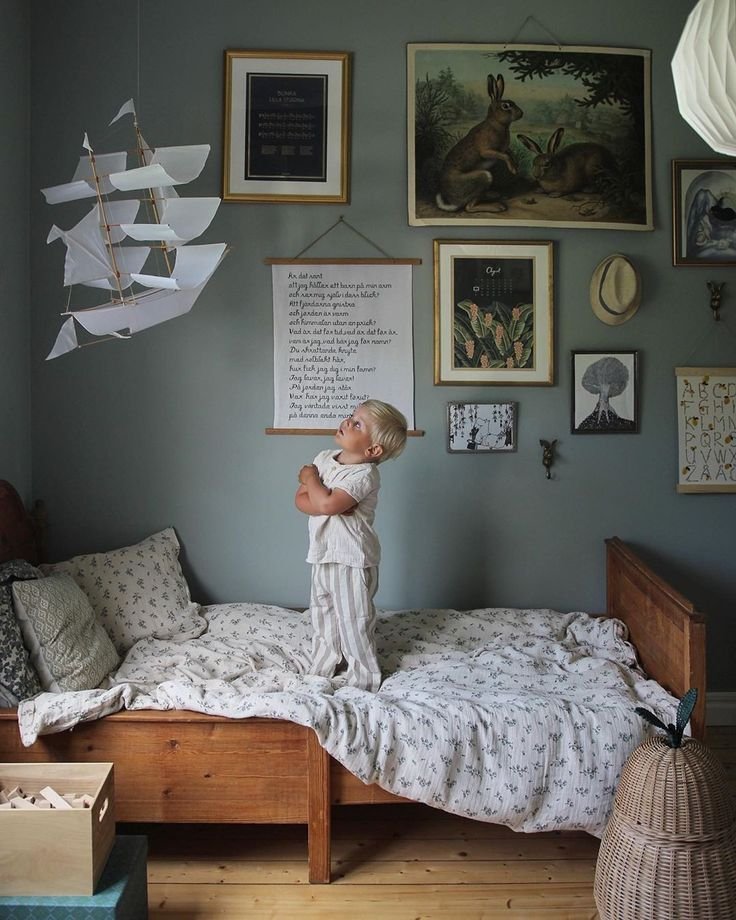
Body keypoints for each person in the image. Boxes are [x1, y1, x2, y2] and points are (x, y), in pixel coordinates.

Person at [295, 399, 408, 691]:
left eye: (357, 423)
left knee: (354, 617)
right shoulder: (324, 458)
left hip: (352, 558)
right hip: (322, 552)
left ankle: (364, 678)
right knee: (323, 612)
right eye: (351, 416)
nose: (347, 421)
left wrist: (310, 479)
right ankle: (324, 665)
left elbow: (324, 502)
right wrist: (324, 501)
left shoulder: (364, 475)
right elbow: (301, 501)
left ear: (372, 450)